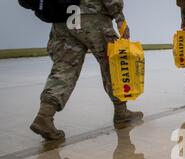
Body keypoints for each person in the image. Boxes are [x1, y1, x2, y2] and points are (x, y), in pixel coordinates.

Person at [30, 0, 143, 141]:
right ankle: (121, 111)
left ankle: (44, 116)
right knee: (112, 63)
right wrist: (119, 17)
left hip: (63, 17)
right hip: (92, 16)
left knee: (65, 68)